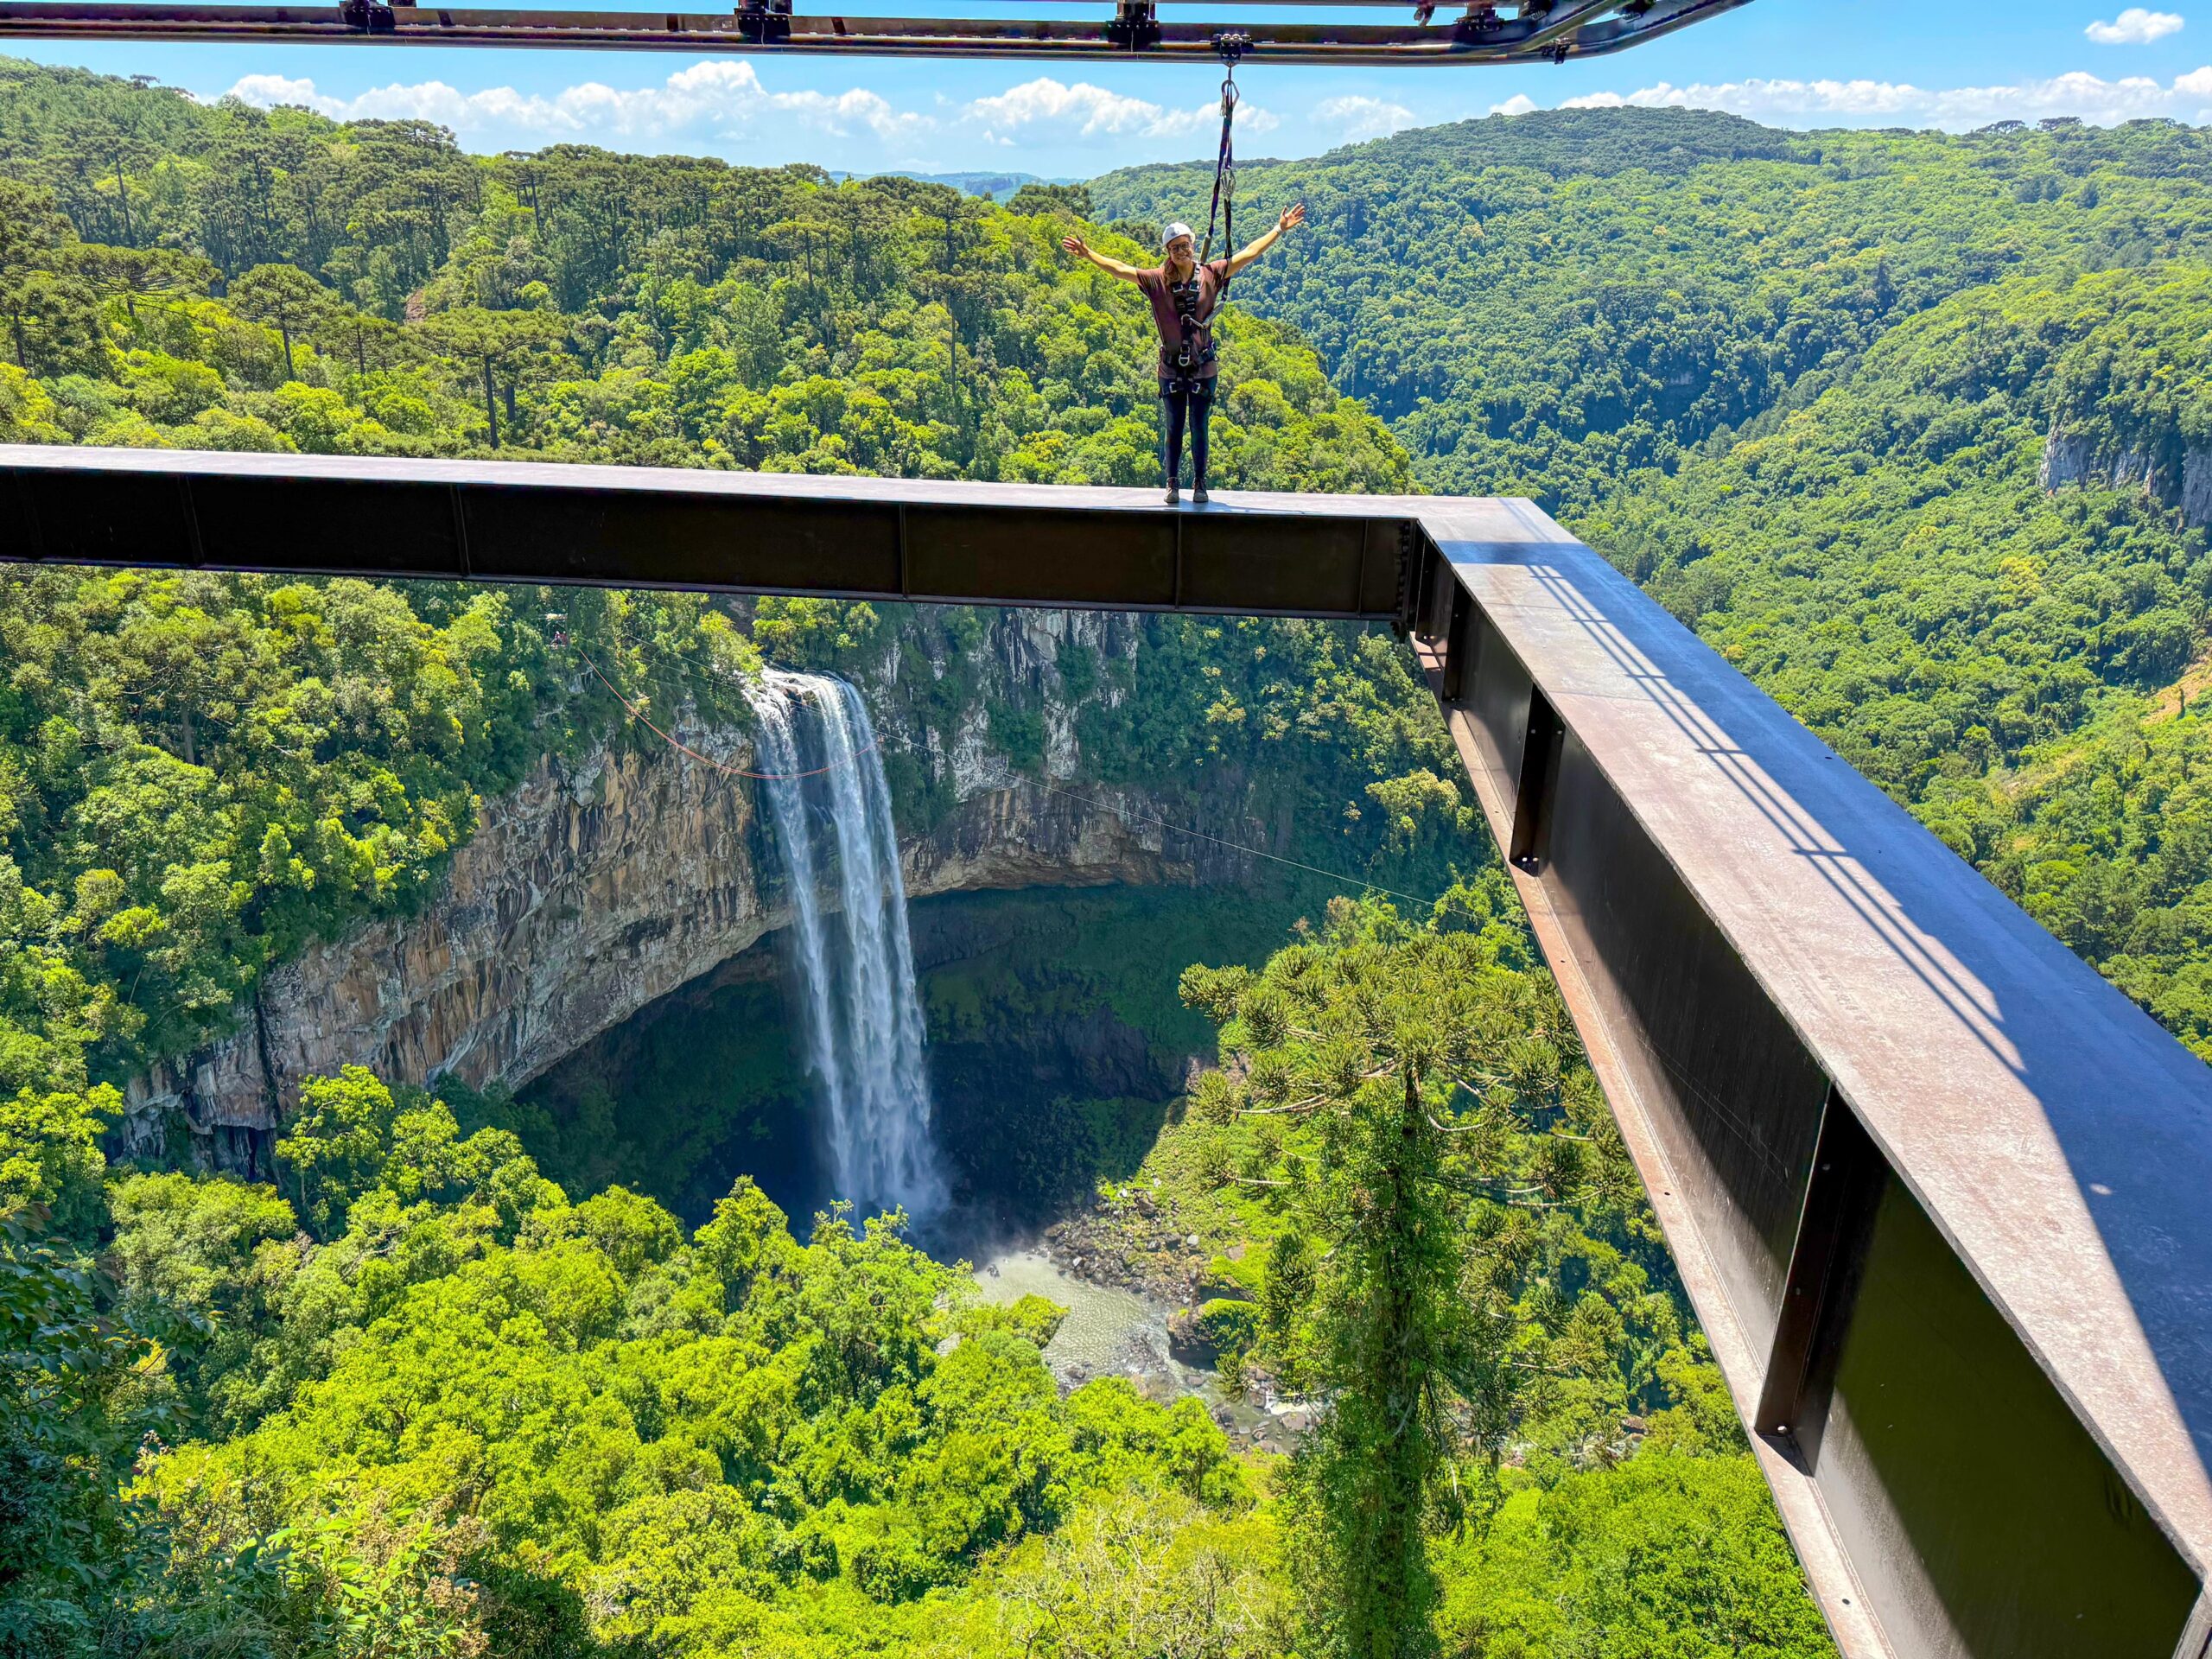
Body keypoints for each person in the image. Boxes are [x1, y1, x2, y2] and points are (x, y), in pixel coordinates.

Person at [1062, 205, 1307, 505]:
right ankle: (1172, 484)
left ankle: (1200, 483)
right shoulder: (1156, 281)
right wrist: (1090, 255)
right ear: (1168, 252)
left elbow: (1248, 254)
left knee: (1200, 426)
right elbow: (1120, 269)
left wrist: (1278, 229)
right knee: (1174, 426)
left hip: (1203, 366)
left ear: (1192, 246)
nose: (1181, 251)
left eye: (1185, 245)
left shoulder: (1212, 273)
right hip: (1171, 368)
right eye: (1175, 247)